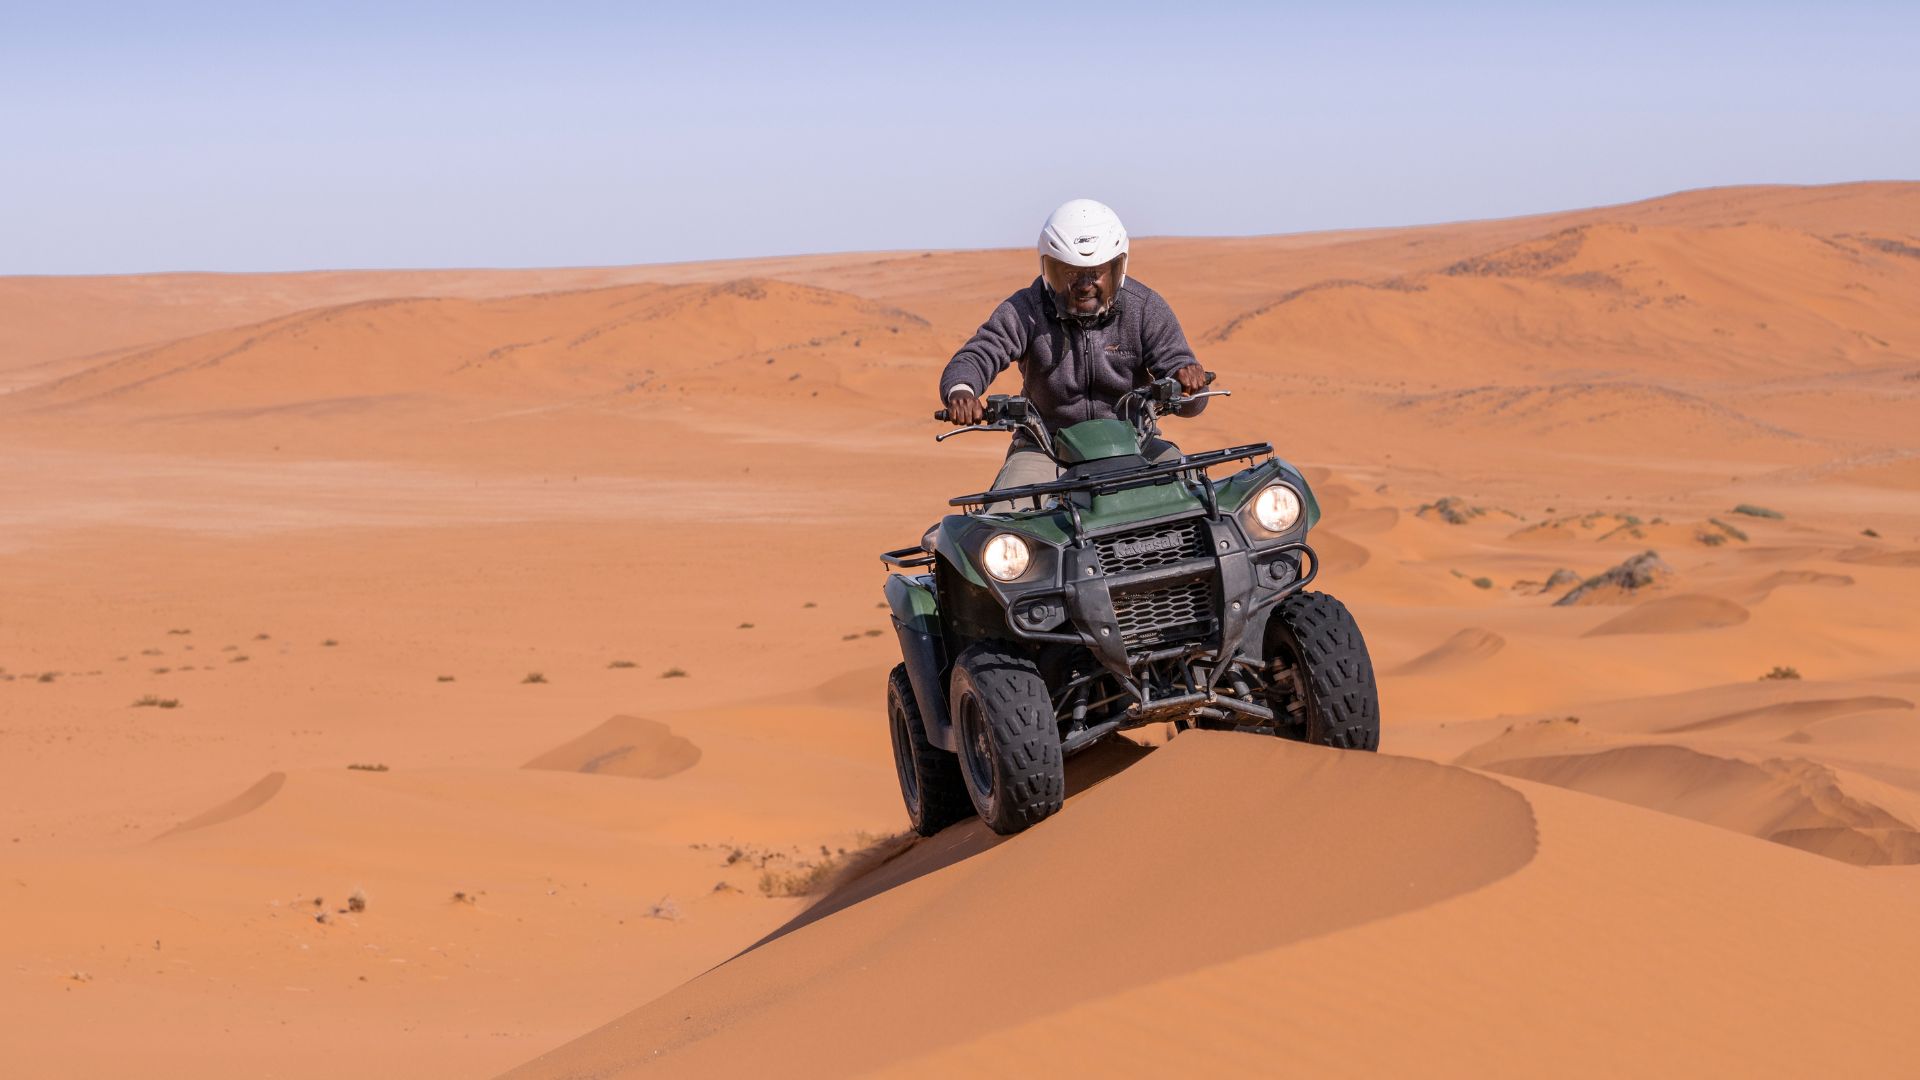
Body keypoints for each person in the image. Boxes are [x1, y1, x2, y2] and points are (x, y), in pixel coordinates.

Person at [939, 198, 1209, 504]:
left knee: (1198, 500)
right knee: (1005, 517)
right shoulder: (1026, 309)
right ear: (1048, 268)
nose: (1084, 285)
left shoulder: (1143, 307)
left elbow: (1184, 381)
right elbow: (980, 354)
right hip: (1045, 449)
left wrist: (1187, 382)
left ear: (1117, 268)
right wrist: (961, 391)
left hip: (1134, 443)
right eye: (1070, 272)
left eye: (1096, 272)